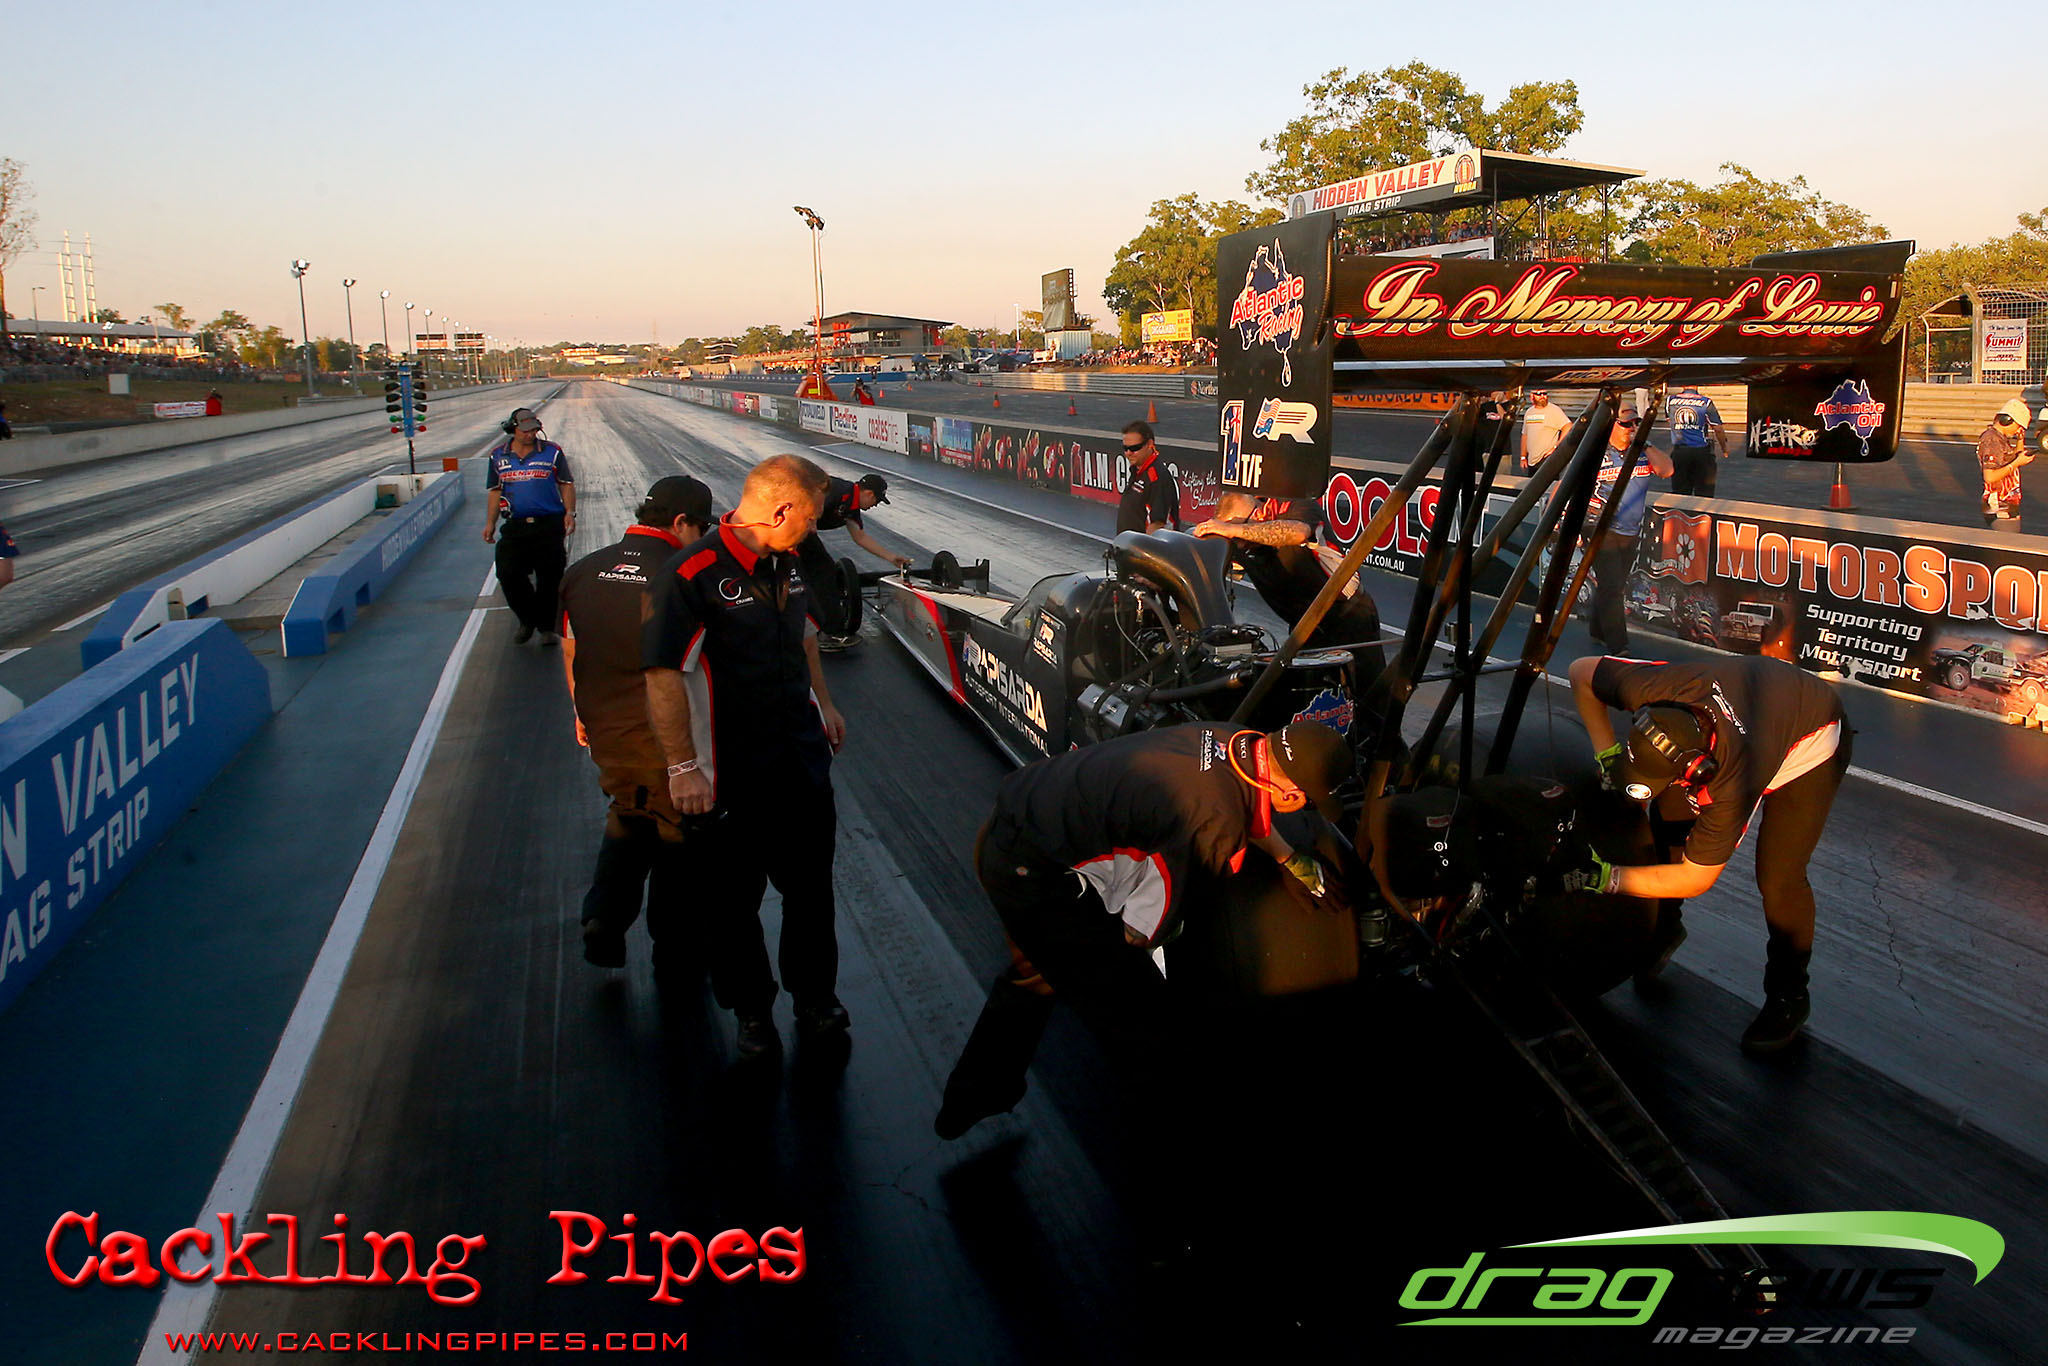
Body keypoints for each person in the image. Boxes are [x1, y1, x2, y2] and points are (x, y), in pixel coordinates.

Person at [934, 721, 1353, 1247]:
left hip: (1018, 821)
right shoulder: (1211, 821)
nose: (1305, 807)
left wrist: (1288, 857)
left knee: (1038, 975)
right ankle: (1163, 1222)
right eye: (1307, 798)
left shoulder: (1232, 739)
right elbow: (1140, 930)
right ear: (1288, 790)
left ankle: (971, 1100)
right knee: (1150, 1039)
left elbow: (1240, 799)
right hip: (1033, 874)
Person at [643, 453, 850, 1061]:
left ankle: (816, 999)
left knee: (811, 893)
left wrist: (826, 704)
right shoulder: (691, 573)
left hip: (801, 762)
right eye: (809, 518)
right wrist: (683, 767)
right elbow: (662, 674)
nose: (811, 531)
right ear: (781, 510)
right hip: (729, 773)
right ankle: (752, 1010)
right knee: (732, 904)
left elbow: (805, 636)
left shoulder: (788, 560)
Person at [1564, 653, 1851, 1055]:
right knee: (1669, 822)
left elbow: (1696, 878)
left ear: (1699, 770)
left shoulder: (1731, 784)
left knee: (1779, 878)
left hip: (1811, 737)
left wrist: (1607, 878)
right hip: (1751, 701)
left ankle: (1789, 994)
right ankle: (1665, 926)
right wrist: (1608, 756)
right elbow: (1580, 672)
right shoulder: (1650, 685)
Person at [559, 476, 715, 974]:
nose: (702, 539)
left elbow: (571, 648)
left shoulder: (583, 570)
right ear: (681, 522)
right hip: (667, 734)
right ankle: (675, 950)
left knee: (629, 812)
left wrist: (581, 711)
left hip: (606, 729)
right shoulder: (684, 577)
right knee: (677, 832)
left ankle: (603, 917)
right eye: (701, 528)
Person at [1191, 491, 1385, 729]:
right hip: (1305, 627)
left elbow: (1297, 532)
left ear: (1257, 514)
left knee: (1371, 703)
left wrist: (1234, 530)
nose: (1238, 543)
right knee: (1307, 703)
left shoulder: (1299, 507)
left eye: (1238, 532)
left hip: (1349, 618)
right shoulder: (1240, 539)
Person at [1580, 404, 1674, 651]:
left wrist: (1645, 443)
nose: (1631, 428)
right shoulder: (1597, 453)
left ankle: (1597, 629)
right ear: (1611, 425)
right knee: (1612, 587)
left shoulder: (1642, 452)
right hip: (1599, 526)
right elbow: (1569, 484)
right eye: (1625, 424)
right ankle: (1618, 645)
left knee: (1614, 584)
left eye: (1636, 423)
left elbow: (1667, 470)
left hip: (1630, 529)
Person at [483, 407, 577, 644]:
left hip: (549, 525)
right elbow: (494, 491)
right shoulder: (497, 456)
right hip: (515, 525)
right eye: (525, 430)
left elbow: (566, 483)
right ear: (512, 429)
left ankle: (547, 628)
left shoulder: (552, 452)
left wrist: (570, 513)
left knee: (550, 578)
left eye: (534, 430)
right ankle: (527, 619)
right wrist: (490, 523)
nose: (530, 434)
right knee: (508, 573)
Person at [798, 472, 911, 650]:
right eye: (877, 501)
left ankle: (821, 625)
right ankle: (829, 633)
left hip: (801, 530)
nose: (874, 505)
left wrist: (891, 557)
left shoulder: (851, 508)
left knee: (818, 571)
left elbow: (860, 537)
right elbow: (806, 505)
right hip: (795, 526)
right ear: (869, 494)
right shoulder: (839, 491)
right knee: (823, 571)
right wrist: (808, 525)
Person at [1979, 398, 2036, 531]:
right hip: (1999, 504)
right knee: (2009, 541)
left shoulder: (2000, 438)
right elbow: (1989, 477)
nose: (2018, 430)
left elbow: (2012, 459)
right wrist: (2017, 463)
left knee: (2012, 538)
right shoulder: (1992, 440)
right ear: (2008, 420)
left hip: (2007, 502)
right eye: (2019, 426)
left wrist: (2020, 440)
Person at [1115, 419, 1180, 534]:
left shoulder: (1157, 477)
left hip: (1143, 544)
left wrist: (1143, 545)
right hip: (1128, 542)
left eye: (1134, 448)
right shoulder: (1137, 470)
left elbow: (1158, 524)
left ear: (1149, 444)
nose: (1128, 453)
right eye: (1125, 448)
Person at [1665, 383, 1726, 496]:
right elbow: (1718, 429)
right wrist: (1724, 448)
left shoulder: (1670, 400)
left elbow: (1670, 420)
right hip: (1701, 451)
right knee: (1704, 492)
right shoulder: (1705, 402)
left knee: (1680, 493)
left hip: (1680, 451)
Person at [1519, 388, 1572, 473]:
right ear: (1532, 396)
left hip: (1547, 459)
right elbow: (1525, 435)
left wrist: (1556, 446)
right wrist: (1523, 456)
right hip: (1532, 460)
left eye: (1545, 394)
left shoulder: (1554, 410)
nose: (1542, 396)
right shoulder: (1529, 412)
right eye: (1539, 394)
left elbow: (1568, 426)